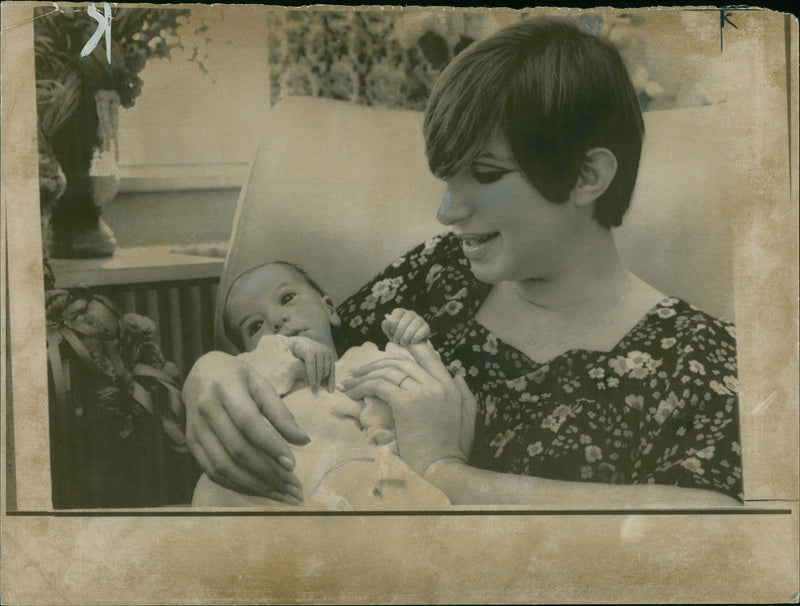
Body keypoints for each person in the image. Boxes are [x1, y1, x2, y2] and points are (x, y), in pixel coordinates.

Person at [182, 18, 743, 506]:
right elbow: (309, 349)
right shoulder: (441, 273)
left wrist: (445, 473)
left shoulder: (695, 359)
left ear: (586, 176)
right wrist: (209, 373)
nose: (447, 210)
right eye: (448, 179)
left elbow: (706, 540)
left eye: (487, 175)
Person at [191, 260, 451, 508]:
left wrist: (411, 339)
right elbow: (242, 378)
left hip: (355, 477)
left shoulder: (363, 358)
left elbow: (416, 397)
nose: (276, 321)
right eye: (255, 326)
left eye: (287, 298)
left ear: (329, 309)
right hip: (275, 486)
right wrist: (286, 346)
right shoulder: (256, 373)